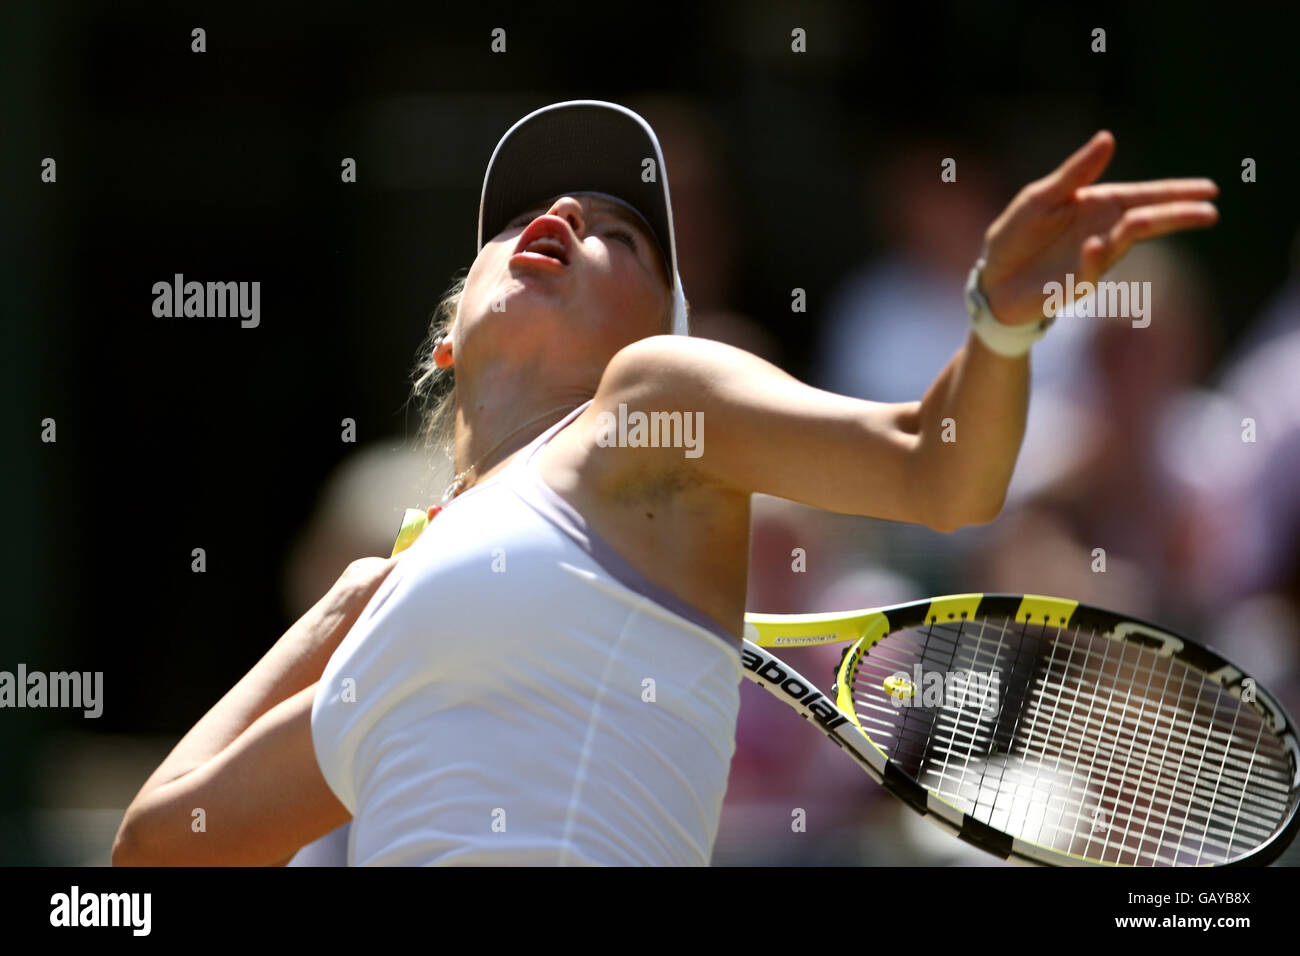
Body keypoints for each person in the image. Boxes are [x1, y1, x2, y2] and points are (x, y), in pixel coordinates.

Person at [111, 100, 1219, 866]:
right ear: (449, 332)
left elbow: (940, 469)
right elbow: (159, 844)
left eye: (625, 237)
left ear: (666, 331)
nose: (568, 219)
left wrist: (996, 321)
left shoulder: (648, 407)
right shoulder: (394, 612)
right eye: (527, 218)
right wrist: (337, 616)